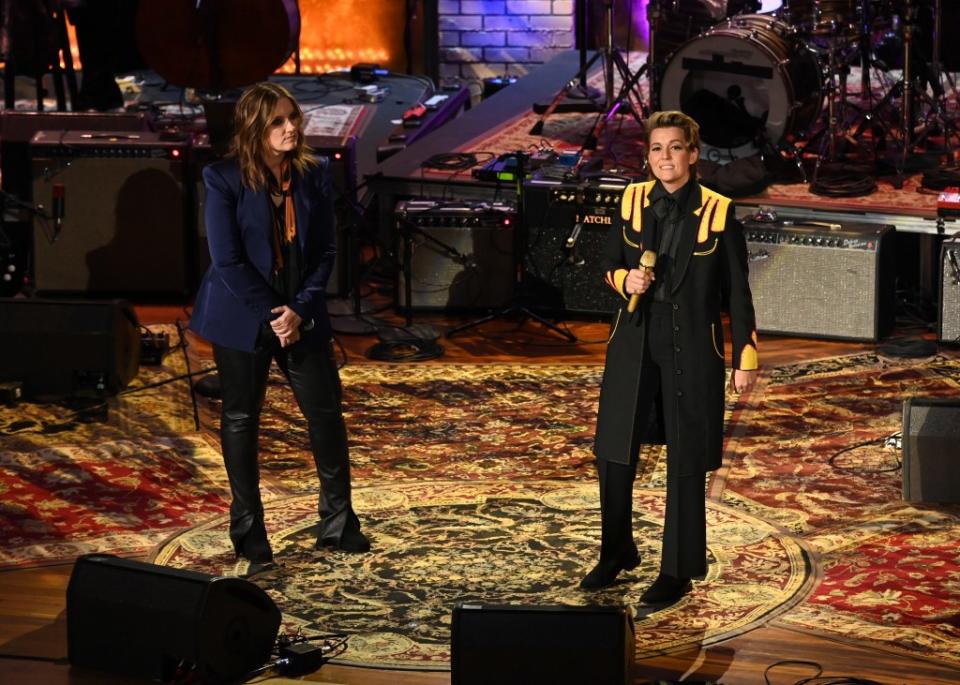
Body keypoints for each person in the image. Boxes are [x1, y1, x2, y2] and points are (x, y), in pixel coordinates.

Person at [581, 111, 759, 603]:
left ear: (693, 154)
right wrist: (625, 281)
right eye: (657, 149)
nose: (665, 158)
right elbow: (608, 263)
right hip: (633, 339)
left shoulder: (720, 213)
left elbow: (738, 294)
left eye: (675, 148)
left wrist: (745, 356)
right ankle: (617, 550)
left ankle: (677, 569)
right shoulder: (632, 200)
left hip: (692, 348)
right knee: (613, 451)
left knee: (685, 458)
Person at [190, 82, 368, 568]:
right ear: (254, 128)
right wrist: (275, 314)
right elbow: (227, 261)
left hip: (301, 309)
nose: (291, 128)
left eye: (293, 118)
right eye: (278, 121)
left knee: (325, 414)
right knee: (242, 418)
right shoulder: (222, 178)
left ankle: (338, 522)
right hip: (243, 312)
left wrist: (300, 311)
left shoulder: (313, 174)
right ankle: (250, 533)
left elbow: (327, 251)